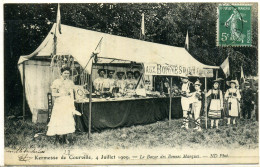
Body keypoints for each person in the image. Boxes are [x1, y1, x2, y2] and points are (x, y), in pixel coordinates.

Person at [46, 67, 81, 144]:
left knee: (66, 120)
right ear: (61, 73)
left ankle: (65, 138)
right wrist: (62, 94)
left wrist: (72, 104)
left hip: (67, 103)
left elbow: (72, 94)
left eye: (68, 73)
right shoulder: (56, 82)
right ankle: (57, 139)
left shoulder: (70, 83)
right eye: (65, 73)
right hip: (59, 103)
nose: (66, 75)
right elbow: (53, 94)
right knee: (59, 120)